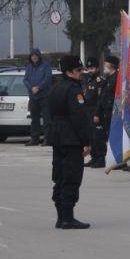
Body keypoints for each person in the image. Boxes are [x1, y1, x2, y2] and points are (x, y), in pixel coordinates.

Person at [47, 56, 92, 229]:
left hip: (57, 136)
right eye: (78, 70)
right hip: (71, 138)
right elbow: (79, 118)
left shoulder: (55, 87)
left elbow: (50, 113)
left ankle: (61, 216)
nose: (81, 73)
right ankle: (67, 217)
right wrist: (86, 141)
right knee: (71, 177)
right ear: (69, 72)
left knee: (59, 176)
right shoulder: (74, 90)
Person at [89, 56, 118, 164]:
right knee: (108, 136)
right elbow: (102, 97)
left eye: (106, 65)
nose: (104, 67)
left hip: (113, 111)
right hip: (106, 111)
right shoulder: (109, 78)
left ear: (111, 66)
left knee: (112, 136)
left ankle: (117, 160)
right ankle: (112, 158)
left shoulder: (116, 78)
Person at [22, 47, 53, 145]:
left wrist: (39, 87)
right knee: (34, 119)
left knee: (47, 119)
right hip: (33, 97)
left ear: (39, 56)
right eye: (32, 56)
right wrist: (31, 88)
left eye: (36, 55)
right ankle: (34, 139)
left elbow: (48, 78)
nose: (34, 57)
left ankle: (48, 139)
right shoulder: (29, 67)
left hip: (44, 96)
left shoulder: (45, 66)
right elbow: (25, 79)